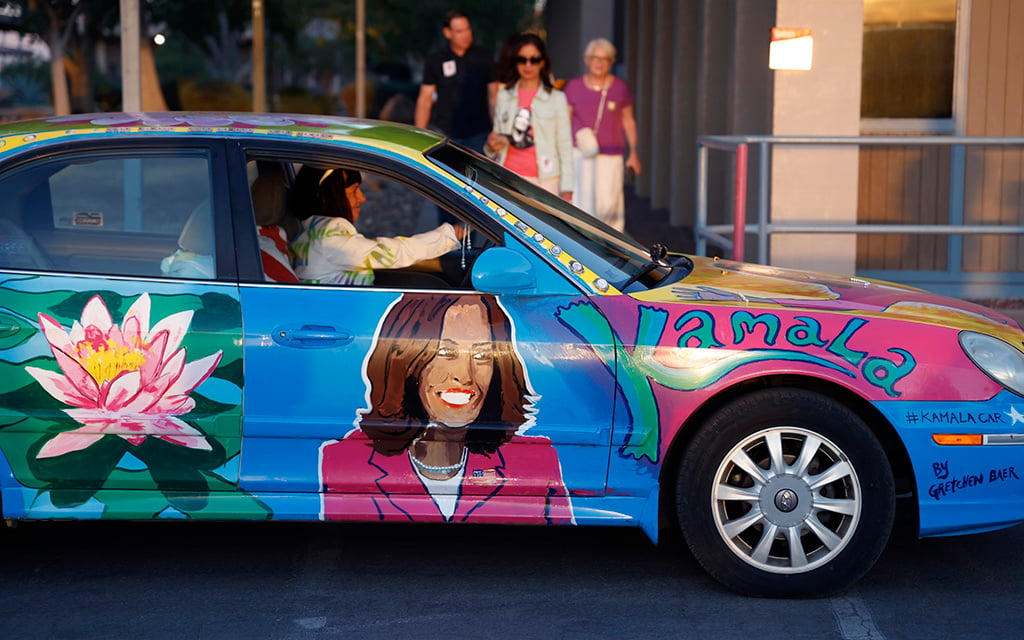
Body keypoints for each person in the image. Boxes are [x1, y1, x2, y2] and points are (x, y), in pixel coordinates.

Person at [320, 292, 574, 524]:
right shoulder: (343, 459)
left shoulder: (539, 461)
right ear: (404, 360)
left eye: (483, 356)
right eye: (445, 351)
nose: (464, 376)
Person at [290, 168, 467, 286]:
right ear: (330, 197)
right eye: (353, 191)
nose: (362, 198)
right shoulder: (330, 238)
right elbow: (392, 253)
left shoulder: (311, 233)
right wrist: (449, 235)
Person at [564, 38, 641, 232]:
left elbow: (628, 121)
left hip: (610, 156)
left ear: (611, 62)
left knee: (609, 206)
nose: (599, 63)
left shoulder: (619, 88)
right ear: (586, 60)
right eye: (595, 58)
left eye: (605, 59)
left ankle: (610, 250)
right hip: (580, 154)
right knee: (581, 205)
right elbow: (565, 122)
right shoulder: (573, 87)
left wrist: (633, 153)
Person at [485, 33, 574, 201]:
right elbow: (496, 141)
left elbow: (565, 144)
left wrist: (567, 188)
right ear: (515, 62)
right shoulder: (504, 96)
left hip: (546, 180)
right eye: (522, 59)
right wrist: (491, 145)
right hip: (508, 177)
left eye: (534, 60)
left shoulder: (557, 98)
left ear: (542, 62)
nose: (528, 65)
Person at [415, 10, 497, 153]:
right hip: (445, 134)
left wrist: (496, 130)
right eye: (459, 31)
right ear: (448, 33)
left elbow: (493, 96)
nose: (466, 35)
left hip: (478, 134)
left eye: (467, 29)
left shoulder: (485, 57)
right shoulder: (436, 59)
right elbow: (425, 100)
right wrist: (418, 137)